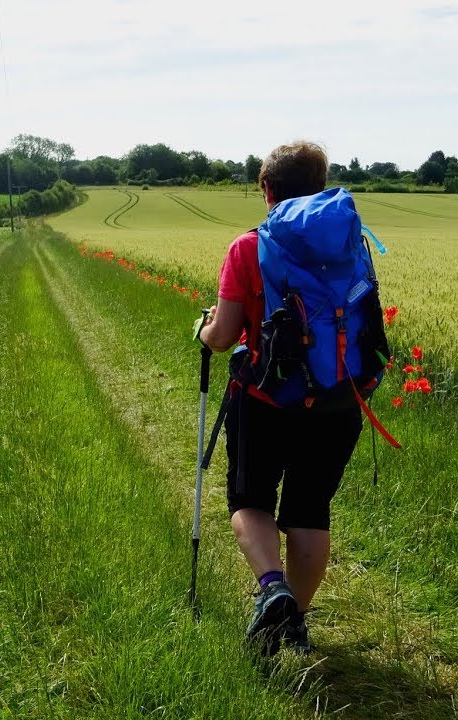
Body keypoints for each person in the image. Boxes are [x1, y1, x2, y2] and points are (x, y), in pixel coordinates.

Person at [195, 141, 364, 655]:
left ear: (267, 189)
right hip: (337, 401)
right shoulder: (350, 244)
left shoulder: (248, 247)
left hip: (266, 400)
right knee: (310, 514)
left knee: (250, 501)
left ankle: (273, 591)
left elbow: (224, 336)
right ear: (321, 185)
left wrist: (202, 329)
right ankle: (297, 622)